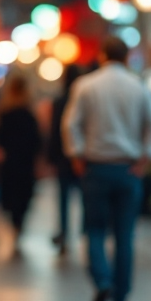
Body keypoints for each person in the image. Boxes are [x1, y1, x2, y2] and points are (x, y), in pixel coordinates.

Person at [63, 36, 151, 301]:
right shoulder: (138, 86)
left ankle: (102, 280)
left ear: (102, 55)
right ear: (127, 56)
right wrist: (146, 158)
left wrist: (77, 155)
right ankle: (121, 296)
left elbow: (71, 125)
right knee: (124, 235)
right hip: (128, 168)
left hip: (96, 167)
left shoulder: (86, 85)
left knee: (94, 230)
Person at [0, 76, 42, 254]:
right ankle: (19, 224)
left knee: (12, 194)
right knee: (23, 194)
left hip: (10, 162)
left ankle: (16, 224)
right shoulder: (29, 114)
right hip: (25, 162)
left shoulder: (5, 113)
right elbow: (37, 141)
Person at [47, 64, 88, 255]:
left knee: (63, 198)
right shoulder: (84, 98)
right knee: (84, 196)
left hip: (65, 157)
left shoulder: (60, 101)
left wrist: (52, 157)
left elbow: (56, 130)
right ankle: (85, 231)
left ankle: (65, 233)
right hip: (83, 157)